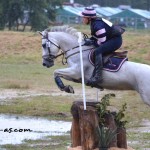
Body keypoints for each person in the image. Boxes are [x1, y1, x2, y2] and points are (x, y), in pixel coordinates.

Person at [81, 7, 123, 87]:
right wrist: (90, 40)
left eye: (84, 17)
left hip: (115, 41)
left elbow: (102, 41)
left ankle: (98, 77)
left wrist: (92, 41)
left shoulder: (97, 25)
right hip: (111, 38)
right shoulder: (94, 22)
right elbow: (96, 37)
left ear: (89, 18)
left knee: (98, 51)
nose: (82, 19)